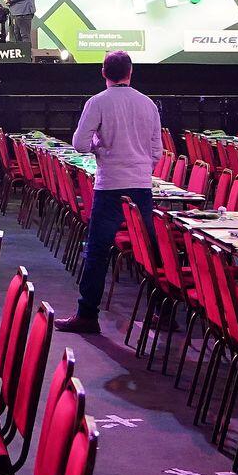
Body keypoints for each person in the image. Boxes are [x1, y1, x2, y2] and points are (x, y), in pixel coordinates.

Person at [57, 50, 164, 334]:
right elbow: (157, 151)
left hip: (110, 185)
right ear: (131, 72)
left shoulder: (98, 102)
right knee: (151, 252)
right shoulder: (148, 104)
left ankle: (87, 315)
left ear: (103, 73)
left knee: (97, 251)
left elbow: (80, 145)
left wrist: (99, 146)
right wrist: (140, 167)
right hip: (141, 185)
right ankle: (163, 313)